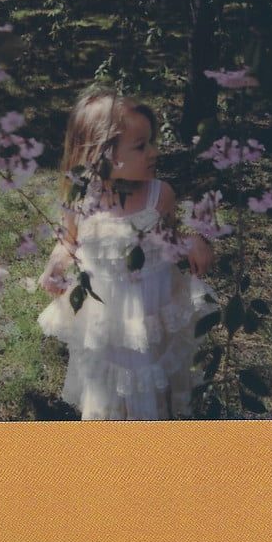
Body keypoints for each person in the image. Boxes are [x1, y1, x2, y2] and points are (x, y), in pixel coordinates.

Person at [37, 87, 219, 420]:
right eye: (140, 146)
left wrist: (194, 242)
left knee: (149, 377)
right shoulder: (80, 201)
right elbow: (69, 241)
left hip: (150, 311)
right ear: (102, 154)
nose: (153, 152)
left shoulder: (159, 195)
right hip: (105, 315)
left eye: (151, 142)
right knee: (109, 384)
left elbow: (169, 240)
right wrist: (56, 265)